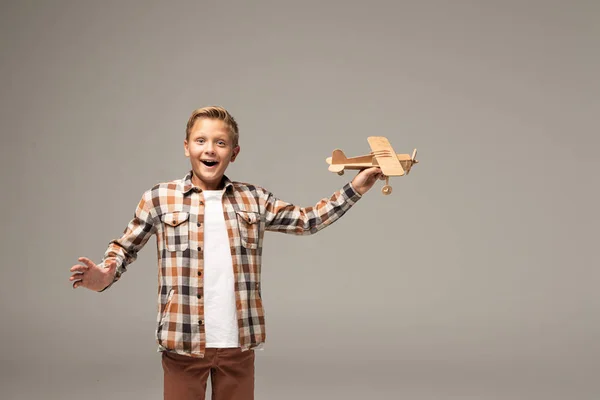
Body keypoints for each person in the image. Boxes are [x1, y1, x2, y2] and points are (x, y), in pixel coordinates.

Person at [68, 106, 383, 400]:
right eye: (201, 140)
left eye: (220, 142)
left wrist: (355, 188)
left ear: (234, 153)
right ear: (186, 147)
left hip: (238, 346)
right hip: (183, 345)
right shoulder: (160, 197)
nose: (209, 149)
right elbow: (125, 247)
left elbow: (307, 220)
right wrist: (105, 274)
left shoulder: (254, 199)